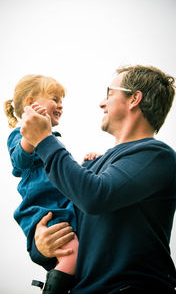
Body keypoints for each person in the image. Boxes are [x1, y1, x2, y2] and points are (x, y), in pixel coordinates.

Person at [20, 65, 176, 294]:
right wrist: (41, 246)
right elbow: (68, 222)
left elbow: (95, 196)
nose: (102, 103)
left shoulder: (157, 156)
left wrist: (44, 140)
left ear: (134, 98)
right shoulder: (93, 166)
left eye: (109, 94)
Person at [4, 74, 81, 294]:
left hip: (61, 209)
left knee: (76, 254)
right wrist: (32, 132)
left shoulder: (53, 140)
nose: (60, 105)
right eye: (55, 99)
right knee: (72, 254)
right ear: (30, 103)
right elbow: (19, 160)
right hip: (44, 210)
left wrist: (87, 162)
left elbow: (69, 174)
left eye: (61, 101)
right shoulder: (19, 135)